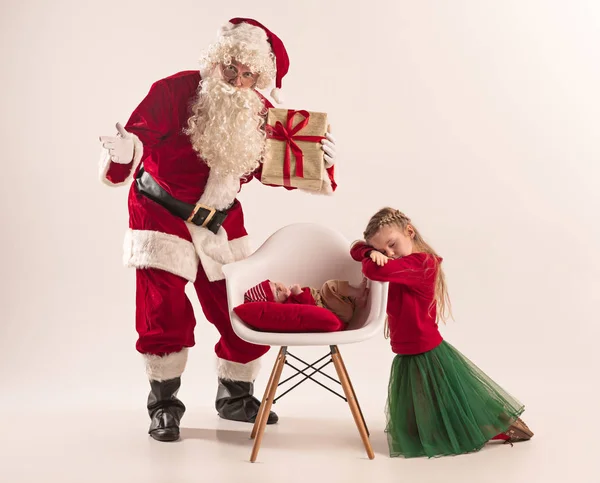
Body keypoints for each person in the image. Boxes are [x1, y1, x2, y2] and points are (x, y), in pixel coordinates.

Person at [98, 17, 338, 442]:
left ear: (258, 77)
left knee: (244, 303)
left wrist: (319, 160)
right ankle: (164, 406)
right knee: (162, 310)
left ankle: (235, 395)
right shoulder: (173, 90)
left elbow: (272, 166)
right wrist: (124, 151)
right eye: (231, 67)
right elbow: (138, 137)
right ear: (216, 61)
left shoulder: (260, 111)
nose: (237, 79)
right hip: (160, 212)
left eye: (248, 74)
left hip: (221, 220)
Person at [350, 207, 533, 458]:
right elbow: (354, 248)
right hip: (406, 349)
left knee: (450, 403)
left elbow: (374, 271)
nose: (389, 254)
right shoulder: (398, 263)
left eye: (392, 245)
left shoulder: (421, 263)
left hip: (426, 349)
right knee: (428, 410)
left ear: (410, 232)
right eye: (383, 251)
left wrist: (371, 256)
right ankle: (477, 425)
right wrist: (368, 251)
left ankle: (501, 426)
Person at [244, 279, 368, 323]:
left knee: (336, 292)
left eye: (276, 284)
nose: (281, 287)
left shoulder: (289, 299)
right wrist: (299, 293)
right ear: (275, 305)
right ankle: (358, 293)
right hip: (333, 311)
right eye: (277, 292)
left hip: (339, 306)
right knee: (329, 286)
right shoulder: (287, 308)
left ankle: (357, 300)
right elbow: (309, 310)